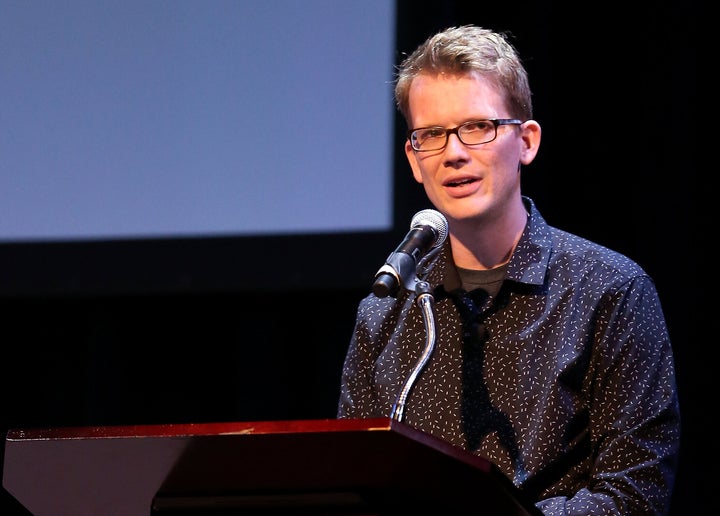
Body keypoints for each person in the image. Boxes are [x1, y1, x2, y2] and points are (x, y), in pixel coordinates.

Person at [336, 25, 680, 515]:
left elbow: (633, 495)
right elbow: (354, 482)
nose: (453, 153)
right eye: (431, 134)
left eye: (477, 127)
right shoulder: (386, 308)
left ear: (527, 142)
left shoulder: (610, 291)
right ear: (414, 160)